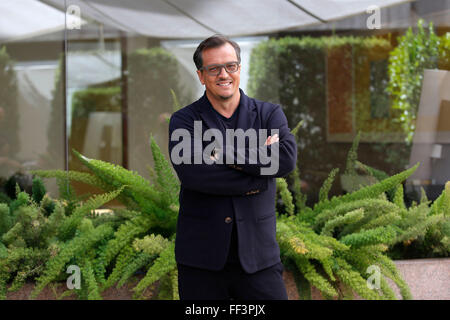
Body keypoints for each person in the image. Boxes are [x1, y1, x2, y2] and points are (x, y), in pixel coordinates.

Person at [168, 35, 297, 300]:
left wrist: (220, 152)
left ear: (239, 68)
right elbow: (195, 175)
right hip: (201, 263)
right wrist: (260, 175)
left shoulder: (269, 114)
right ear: (201, 76)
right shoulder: (184, 120)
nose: (224, 74)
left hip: (259, 260)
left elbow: (284, 159)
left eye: (231, 66)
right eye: (214, 69)